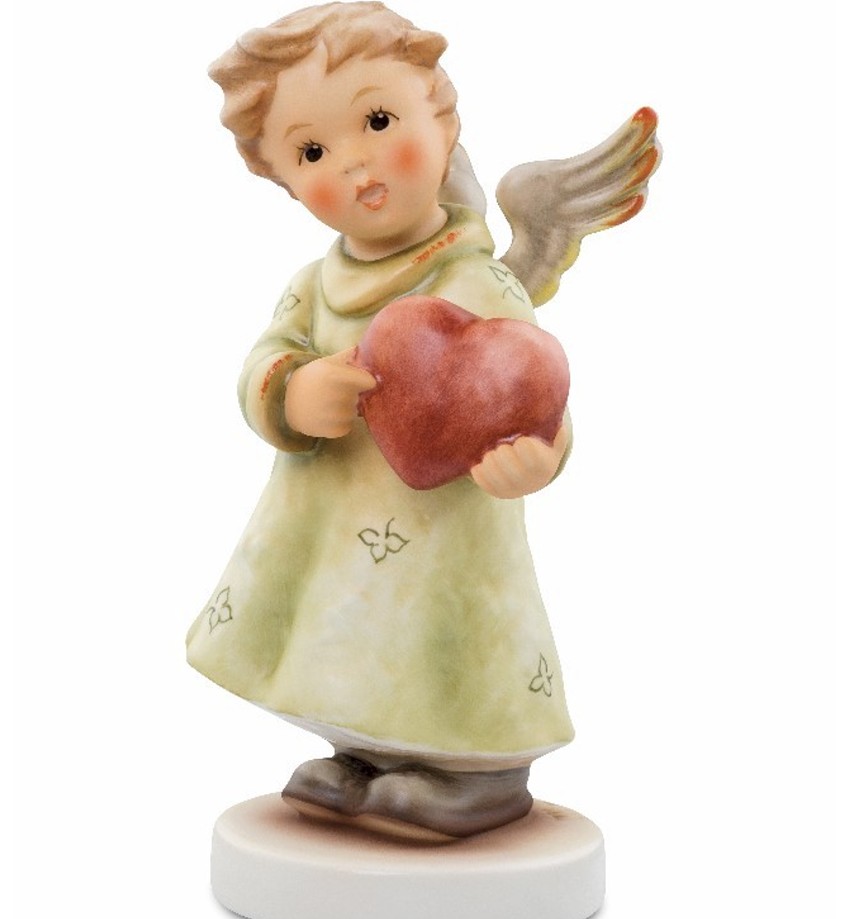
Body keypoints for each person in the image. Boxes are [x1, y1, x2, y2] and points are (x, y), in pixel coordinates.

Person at [188, 1, 657, 841]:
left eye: (378, 120)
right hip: (328, 522)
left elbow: (534, 382)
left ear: (443, 123)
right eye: (312, 151)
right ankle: (363, 754)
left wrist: (539, 455)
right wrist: (291, 391)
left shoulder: (477, 282)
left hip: (447, 535)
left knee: (439, 638)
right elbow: (266, 356)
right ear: (284, 180)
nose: (356, 163)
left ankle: (480, 776)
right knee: (345, 629)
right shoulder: (313, 284)